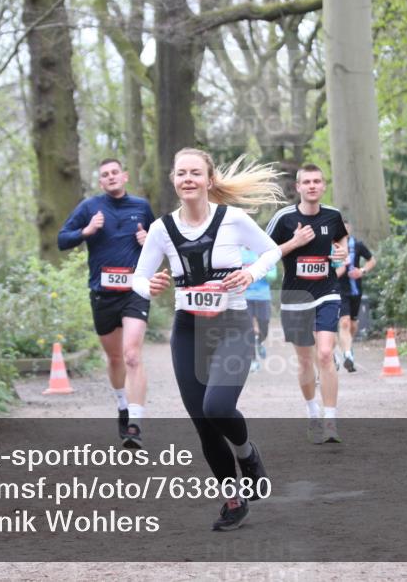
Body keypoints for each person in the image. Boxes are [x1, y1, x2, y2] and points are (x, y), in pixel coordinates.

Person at [132, 148, 283, 532]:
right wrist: (149, 286)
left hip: (232, 325)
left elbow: (271, 251)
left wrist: (249, 274)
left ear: (209, 179)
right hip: (188, 330)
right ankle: (233, 500)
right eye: (181, 172)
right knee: (203, 421)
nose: (188, 179)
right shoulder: (162, 230)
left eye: (195, 173)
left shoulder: (232, 219)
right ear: (173, 180)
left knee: (218, 405)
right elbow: (138, 278)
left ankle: (248, 456)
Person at [58, 158, 155, 449]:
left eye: (115, 172)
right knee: (114, 359)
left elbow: (159, 244)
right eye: (105, 175)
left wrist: (148, 240)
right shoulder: (89, 208)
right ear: (101, 182)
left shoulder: (141, 206)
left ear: (124, 176)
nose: (111, 177)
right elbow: (62, 239)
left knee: (132, 355)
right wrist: (86, 232)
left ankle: (135, 424)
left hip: (135, 290)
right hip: (102, 293)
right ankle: (123, 406)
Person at [265, 164, 348, 444]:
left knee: (325, 354)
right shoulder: (284, 218)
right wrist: (294, 242)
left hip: (327, 292)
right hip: (295, 298)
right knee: (305, 362)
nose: (312, 186)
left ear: (323, 186)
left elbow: (342, 239)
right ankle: (312, 412)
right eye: (306, 182)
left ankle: (330, 422)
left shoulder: (333, 216)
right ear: (298, 187)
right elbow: (265, 252)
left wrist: (343, 251)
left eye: (317, 181)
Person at [334, 221, 376, 373]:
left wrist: (362, 270)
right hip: (339, 290)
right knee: (344, 323)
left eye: (346, 227)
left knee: (352, 325)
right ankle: (347, 355)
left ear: (350, 228)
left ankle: (347, 347)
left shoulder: (358, 245)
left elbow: (372, 260)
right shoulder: (333, 247)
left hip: (355, 290)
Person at [240, 246, 278, 372]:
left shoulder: (264, 253)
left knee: (264, 325)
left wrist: (260, 270)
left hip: (262, 296)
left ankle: (260, 342)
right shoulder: (238, 253)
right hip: (244, 296)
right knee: (248, 329)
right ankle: (253, 361)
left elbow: (273, 277)